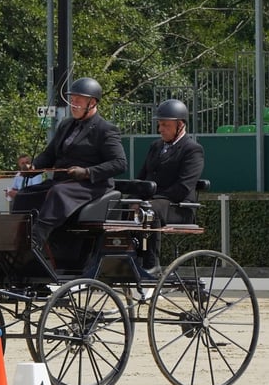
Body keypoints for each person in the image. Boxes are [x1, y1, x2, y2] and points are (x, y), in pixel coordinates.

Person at [26, 77, 128, 265]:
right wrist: (33, 167)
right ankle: (16, 239)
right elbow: (49, 154)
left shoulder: (105, 130)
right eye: (72, 100)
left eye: (78, 100)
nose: (73, 104)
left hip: (92, 185)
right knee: (25, 194)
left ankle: (34, 241)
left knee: (58, 192)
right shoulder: (65, 125)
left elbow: (119, 163)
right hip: (64, 183)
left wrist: (87, 172)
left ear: (92, 103)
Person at [136, 99, 205, 272]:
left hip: (179, 206)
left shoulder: (192, 149)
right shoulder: (155, 146)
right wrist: (133, 198)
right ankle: (125, 256)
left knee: (150, 209)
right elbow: (142, 178)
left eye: (165, 125)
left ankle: (151, 263)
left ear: (180, 125)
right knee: (118, 207)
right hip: (153, 202)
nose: (160, 129)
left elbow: (183, 187)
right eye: (159, 124)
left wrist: (149, 199)